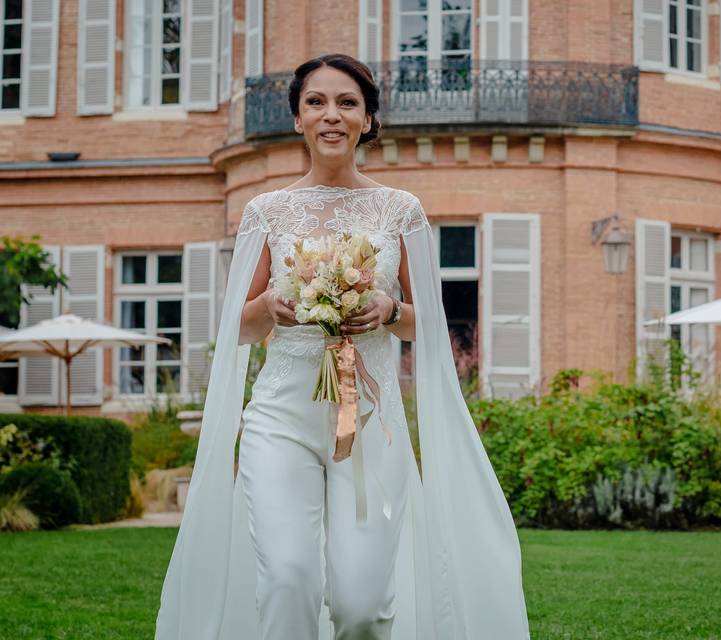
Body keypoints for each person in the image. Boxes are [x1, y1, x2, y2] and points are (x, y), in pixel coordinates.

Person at [154, 53, 530, 640]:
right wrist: (269, 306)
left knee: (360, 604)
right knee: (288, 578)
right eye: (316, 103)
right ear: (298, 120)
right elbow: (242, 327)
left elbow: (426, 323)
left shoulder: (401, 211)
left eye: (347, 103)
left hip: (370, 424)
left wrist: (390, 309)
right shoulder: (266, 212)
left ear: (368, 121)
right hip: (281, 418)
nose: (332, 115)